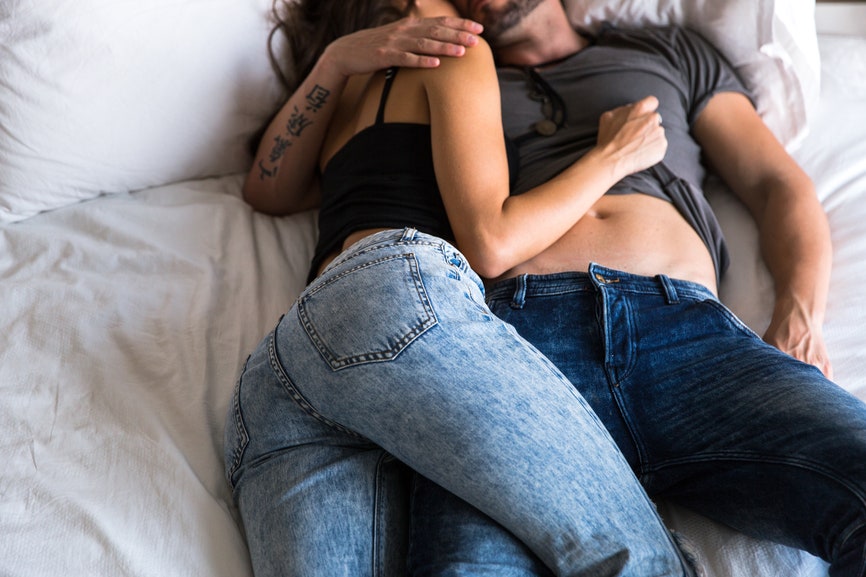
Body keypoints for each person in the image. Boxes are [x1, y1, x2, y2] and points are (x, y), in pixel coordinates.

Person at [223, 0, 697, 576]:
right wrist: (610, 157)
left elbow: (267, 190)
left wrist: (332, 63)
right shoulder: (456, 50)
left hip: (287, 361)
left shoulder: (347, 87)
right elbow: (492, 239)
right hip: (393, 300)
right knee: (631, 555)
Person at [404, 0, 866, 574]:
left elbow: (776, 184)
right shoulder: (446, 83)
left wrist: (799, 313)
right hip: (518, 348)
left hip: (687, 336)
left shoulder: (668, 51)